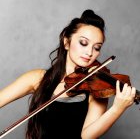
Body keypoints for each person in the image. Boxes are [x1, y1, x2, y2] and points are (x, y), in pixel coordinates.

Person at [0, 9, 136, 139]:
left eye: (96, 48)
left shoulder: (96, 87)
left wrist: (117, 108)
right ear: (66, 43)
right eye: (83, 43)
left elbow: (87, 136)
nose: (89, 53)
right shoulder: (37, 78)